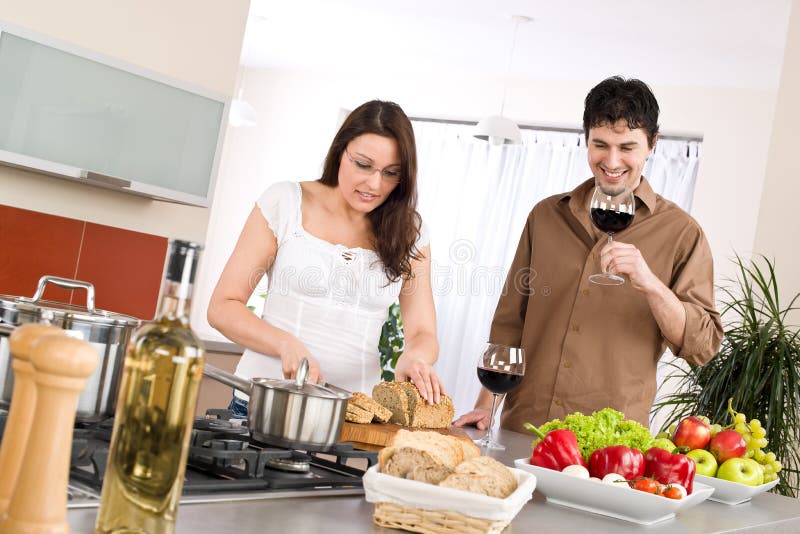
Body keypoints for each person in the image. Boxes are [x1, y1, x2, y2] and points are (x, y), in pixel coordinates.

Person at [455, 76, 723, 432]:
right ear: (586, 140)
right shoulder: (546, 216)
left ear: (652, 144)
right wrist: (486, 405)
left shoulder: (682, 233)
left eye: (627, 147)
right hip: (526, 424)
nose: (612, 161)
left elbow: (704, 346)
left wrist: (650, 284)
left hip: (609, 443)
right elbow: (510, 322)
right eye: (601, 145)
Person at [207, 100, 443, 416]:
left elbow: (422, 333)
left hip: (349, 418)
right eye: (363, 164)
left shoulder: (410, 231)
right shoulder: (285, 202)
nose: (375, 184)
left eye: (390, 173)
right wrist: (285, 344)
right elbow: (223, 306)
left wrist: (415, 357)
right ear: (339, 153)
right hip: (263, 405)